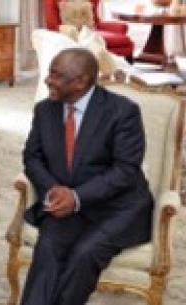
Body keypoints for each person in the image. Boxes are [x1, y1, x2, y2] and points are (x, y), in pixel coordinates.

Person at [21, 48, 153, 305]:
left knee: (84, 254)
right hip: (64, 205)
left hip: (117, 207)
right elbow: (32, 157)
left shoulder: (122, 112)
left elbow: (126, 170)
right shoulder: (45, 110)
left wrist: (77, 196)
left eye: (56, 75)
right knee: (47, 249)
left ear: (80, 81)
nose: (48, 80)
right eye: (50, 73)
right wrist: (52, 189)